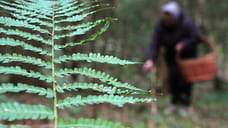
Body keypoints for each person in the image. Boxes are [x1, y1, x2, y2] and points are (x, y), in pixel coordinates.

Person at [143, 1, 202, 116]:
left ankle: (185, 104)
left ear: (174, 17)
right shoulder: (161, 25)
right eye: (164, 18)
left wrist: (183, 44)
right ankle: (174, 103)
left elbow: (197, 37)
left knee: (186, 80)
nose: (166, 21)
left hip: (187, 57)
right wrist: (150, 59)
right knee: (173, 78)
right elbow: (155, 43)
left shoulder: (186, 23)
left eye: (168, 19)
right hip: (172, 57)